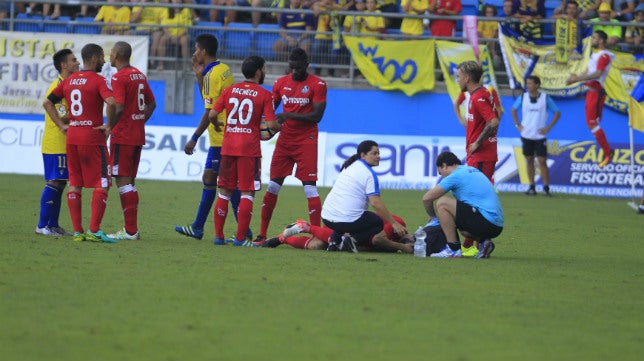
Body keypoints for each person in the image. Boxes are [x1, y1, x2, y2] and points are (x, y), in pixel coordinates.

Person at [42, 43, 117, 243]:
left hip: (72, 137)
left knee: (75, 183)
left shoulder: (69, 80)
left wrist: (61, 125)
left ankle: (77, 232)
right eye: (101, 57)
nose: (103, 61)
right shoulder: (99, 80)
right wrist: (108, 125)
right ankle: (93, 230)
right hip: (92, 136)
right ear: (94, 58)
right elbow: (112, 103)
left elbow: (48, 102)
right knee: (103, 183)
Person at [253, 47, 327, 244]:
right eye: (291, 68)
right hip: (285, 140)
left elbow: (317, 116)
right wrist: (266, 126)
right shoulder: (280, 83)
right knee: (273, 187)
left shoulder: (318, 84)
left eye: (298, 68)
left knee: (310, 188)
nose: (294, 72)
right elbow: (271, 109)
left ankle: (316, 235)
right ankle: (261, 234)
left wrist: (288, 115)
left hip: (306, 140)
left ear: (306, 65)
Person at [174, 33, 240, 242]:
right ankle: (198, 227)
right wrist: (198, 76)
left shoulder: (212, 76)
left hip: (221, 137)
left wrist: (194, 137)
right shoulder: (221, 69)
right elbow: (209, 98)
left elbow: (208, 110)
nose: (194, 53)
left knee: (228, 184)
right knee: (211, 179)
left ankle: (244, 232)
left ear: (203, 51)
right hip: (225, 134)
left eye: (196, 49)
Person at [210, 56, 280, 246]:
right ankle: (240, 239)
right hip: (249, 150)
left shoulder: (230, 90)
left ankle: (218, 236)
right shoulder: (264, 95)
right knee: (247, 193)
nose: (264, 72)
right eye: (264, 69)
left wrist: (217, 124)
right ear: (258, 72)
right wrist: (282, 127)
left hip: (228, 148)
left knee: (224, 192)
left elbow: (212, 114)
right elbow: (272, 124)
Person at [106, 41, 157, 240]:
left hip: (123, 135)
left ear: (117, 54)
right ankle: (131, 229)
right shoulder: (139, 75)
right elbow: (152, 104)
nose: (110, 55)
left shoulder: (119, 77)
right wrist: (139, 121)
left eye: (111, 52)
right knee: (130, 182)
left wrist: (109, 126)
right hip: (136, 135)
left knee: (123, 181)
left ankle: (130, 231)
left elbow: (118, 107)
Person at [321, 140, 410, 253]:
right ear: (363, 155)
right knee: (377, 222)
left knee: (346, 213)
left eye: (378, 153)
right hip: (344, 220)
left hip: (326, 217)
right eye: (374, 153)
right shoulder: (369, 175)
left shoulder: (349, 166)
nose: (378, 156)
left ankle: (334, 243)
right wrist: (394, 223)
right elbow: (375, 203)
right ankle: (352, 240)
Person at [421, 151, 504, 258]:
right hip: (496, 225)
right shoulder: (472, 170)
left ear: (445, 166)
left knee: (442, 203)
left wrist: (433, 217)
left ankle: (453, 249)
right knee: (463, 229)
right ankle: (484, 242)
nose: (442, 176)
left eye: (440, 172)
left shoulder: (456, 175)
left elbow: (427, 198)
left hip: (485, 221)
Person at [35, 49, 80, 237]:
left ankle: (53, 225)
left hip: (65, 142)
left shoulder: (69, 84)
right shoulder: (57, 86)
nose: (78, 63)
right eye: (74, 60)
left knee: (61, 182)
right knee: (54, 181)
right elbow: (61, 112)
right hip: (56, 143)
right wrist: (79, 118)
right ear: (64, 65)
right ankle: (42, 225)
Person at [565, 30, 615, 169]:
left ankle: (608, 152)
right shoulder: (595, 54)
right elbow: (588, 72)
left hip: (597, 92)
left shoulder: (604, 56)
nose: (591, 40)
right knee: (591, 124)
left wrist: (578, 78)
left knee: (593, 124)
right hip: (590, 93)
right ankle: (607, 152)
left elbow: (598, 74)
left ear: (600, 40)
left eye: (594, 38)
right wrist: (575, 79)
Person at [511, 75, 561, 196]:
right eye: (527, 83)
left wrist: (548, 128)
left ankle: (546, 188)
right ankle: (532, 187)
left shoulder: (545, 98)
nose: (528, 86)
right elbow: (513, 110)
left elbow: (557, 112)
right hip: (526, 134)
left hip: (539, 135)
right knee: (529, 160)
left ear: (537, 85)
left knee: (542, 161)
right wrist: (518, 125)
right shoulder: (523, 97)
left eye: (530, 84)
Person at [262, 214, 414, 253]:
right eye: (411, 241)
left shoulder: (393, 237)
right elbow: (376, 241)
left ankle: (282, 239)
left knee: (316, 245)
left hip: (351, 233)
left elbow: (369, 246)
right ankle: (305, 227)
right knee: (333, 242)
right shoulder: (396, 225)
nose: (410, 242)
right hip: (343, 227)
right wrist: (402, 247)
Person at [455, 60, 500, 183]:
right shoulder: (479, 94)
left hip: (481, 156)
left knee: (477, 198)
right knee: (474, 197)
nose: (457, 80)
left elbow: (493, 121)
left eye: (458, 77)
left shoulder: (478, 97)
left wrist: (477, 143)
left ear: (467, 78)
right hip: (479, 156)